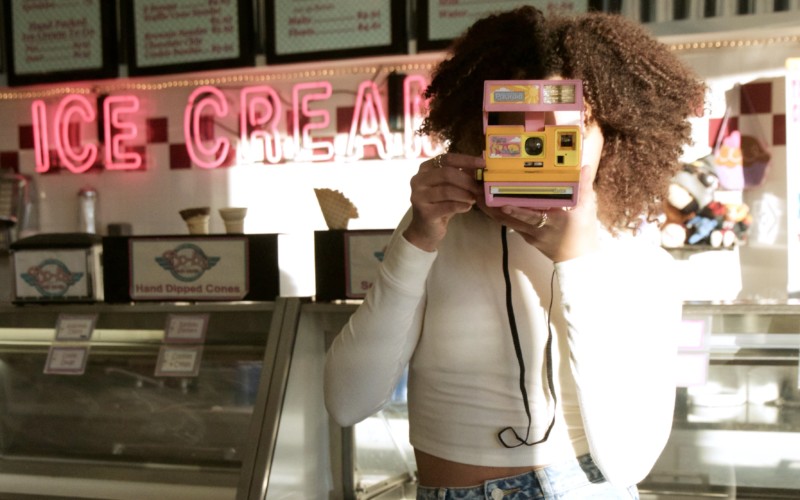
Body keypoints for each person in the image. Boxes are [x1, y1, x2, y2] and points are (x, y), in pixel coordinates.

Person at [325, 6, 705, 499]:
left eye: (567, 123)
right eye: (514, 117)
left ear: (612, 135)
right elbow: (345, 402)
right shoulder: (438, 229)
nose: (539, 140)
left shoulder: (636, 256)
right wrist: (416, 240)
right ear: (477, 122)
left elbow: (628, 459)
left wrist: (578, 264)